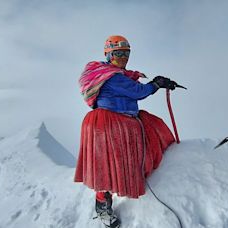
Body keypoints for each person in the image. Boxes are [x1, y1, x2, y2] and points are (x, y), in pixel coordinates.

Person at [74, 35, 178, 228]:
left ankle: (125, 186)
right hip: (108, 124)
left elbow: (135, 88)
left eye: (126, 53)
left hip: (118, 122)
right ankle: (103, 207)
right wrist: (156, 84)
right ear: (108, 54)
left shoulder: (113, 74)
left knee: (115, 161)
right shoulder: (111, 77)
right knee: (106, 165)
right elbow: (138, 91)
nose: (123, 57)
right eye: (118, 53)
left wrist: (156, 83)